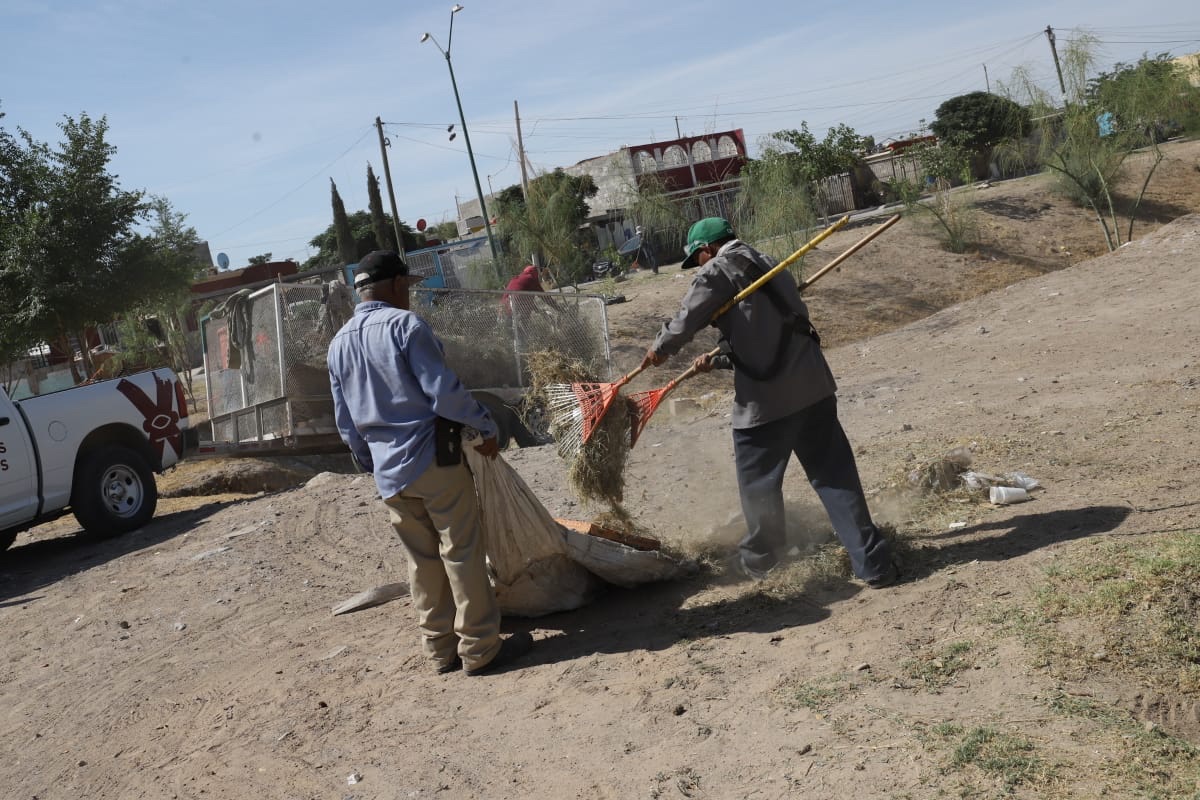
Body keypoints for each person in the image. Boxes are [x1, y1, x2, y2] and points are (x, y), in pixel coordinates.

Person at [641, 219, 899, 587]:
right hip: (814, 386)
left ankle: (763, 561)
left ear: (707, 249)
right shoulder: (767, 261)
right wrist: (721, 358)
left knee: (757, 484)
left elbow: (686, 321)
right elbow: (770, 332)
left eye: (696, 259)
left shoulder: (717, 270)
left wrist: (659, 348)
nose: (698, 266)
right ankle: (874, 565)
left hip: (768, 402)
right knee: (835, 477)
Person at [327, 250, 534, 676]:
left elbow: (345, 422)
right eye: (407, 286)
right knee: (461, 551)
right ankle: (479, 648)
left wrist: (372, 461)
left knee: (422, 561)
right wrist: (485, 426)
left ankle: (440, 650)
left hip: (389, 474)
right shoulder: (406, 326)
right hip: (433, 459)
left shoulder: (338, 344)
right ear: (397, 284)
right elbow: (444, 393)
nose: (409, 294)